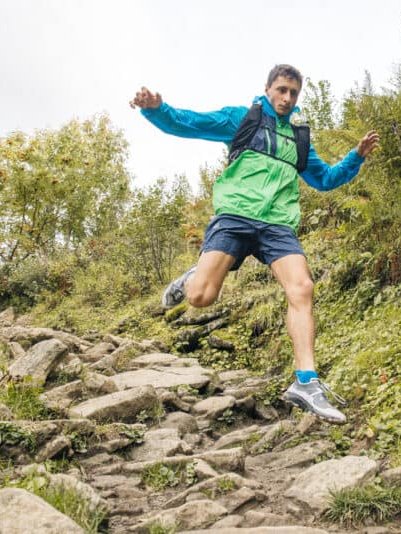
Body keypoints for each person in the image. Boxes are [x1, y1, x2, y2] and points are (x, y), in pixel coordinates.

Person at [130, 64, 379, 424]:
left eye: (293, 93)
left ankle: (307, 383)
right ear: (267, 89)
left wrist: (355, 157)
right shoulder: (242, 119)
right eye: (281, 90)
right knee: (200, 297)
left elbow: (324, 179)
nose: (287, 98)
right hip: (235, 216)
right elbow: (189, 123)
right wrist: (157, 109)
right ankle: (193, 277)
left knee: (302, 288)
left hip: (277, 224)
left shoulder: (298, 138)